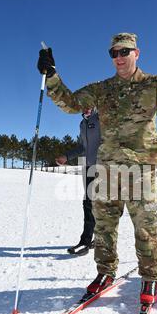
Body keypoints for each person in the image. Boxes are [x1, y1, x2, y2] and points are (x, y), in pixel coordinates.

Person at [37, 23, 157, 304]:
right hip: (106, 170)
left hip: (140, 171)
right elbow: (71, 103)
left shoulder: (153, 84)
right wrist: (52, 76)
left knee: (145, 228)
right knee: (104, 227)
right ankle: (105, 272)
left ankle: (151, 277)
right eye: (114, 52)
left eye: (124, 51)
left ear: (136, 53)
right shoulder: (101, 89)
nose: (119, 57)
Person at [56, 108, 101, 256]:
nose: (86, 107)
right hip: (89, 167)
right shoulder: (82, 123)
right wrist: (67, 156)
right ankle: (87, 240)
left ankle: (97, 239)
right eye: (83, 105)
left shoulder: (101, 118)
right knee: (89, 203)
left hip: (104, 166)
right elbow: (83, 147)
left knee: (104, 205)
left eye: (89, 104)